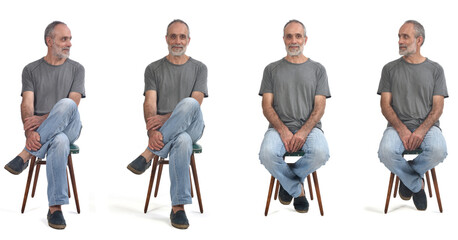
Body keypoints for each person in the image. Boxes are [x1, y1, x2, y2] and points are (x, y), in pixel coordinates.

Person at [127, 19, 207, 229]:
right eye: (173, 36)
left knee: (189, 103)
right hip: (163, 133)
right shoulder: (153, 69)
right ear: (166, 39)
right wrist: (153, 130)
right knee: (181, 140)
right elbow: (149, 103)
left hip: (193, 125)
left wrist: (164, 120)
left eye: (182, 37)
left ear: (189, 40)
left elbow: (197, 102)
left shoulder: (199, 68)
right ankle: (178, 208)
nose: (177, 41)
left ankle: (148, 154)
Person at [4, 21, 85, 229]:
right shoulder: (31, 70)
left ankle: (25, 154)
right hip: (42, 133)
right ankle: (55, 209)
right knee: (58, 141)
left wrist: (41, 121)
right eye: (64, 39)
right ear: (50, 42)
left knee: (66, 104)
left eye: (70, 39)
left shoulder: (77, 68)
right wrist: (30, 130)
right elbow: (27, 105)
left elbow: (74, 103)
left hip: (70, 125)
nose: (69, 44)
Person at [258, 20, 331, 213]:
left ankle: (286, 182)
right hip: (278, 127)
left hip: (310, 128)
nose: (293, 40)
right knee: (266, 154)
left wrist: (303, 132)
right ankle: (297, 190)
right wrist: (283, 131)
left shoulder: (318, 69)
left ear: (305, 39)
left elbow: (320, 107)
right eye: (289, 36)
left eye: (298, 36)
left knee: (321, 153)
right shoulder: (271, 69)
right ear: (283, 39)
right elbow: (266, 106)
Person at [377, 20, 448, 211]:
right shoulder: (389, 69)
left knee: (439, 149)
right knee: (385, 151)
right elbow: (385, 106)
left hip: (428, 125)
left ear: (419, 40)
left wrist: (421, 130)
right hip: (397, 125)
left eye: (405, 36)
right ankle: (417, 185)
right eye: (399, 36)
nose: (400, 40)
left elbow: (438, 107)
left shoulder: (435, 70)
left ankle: (407, 178)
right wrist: (402, 129)